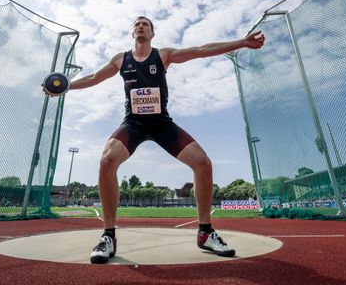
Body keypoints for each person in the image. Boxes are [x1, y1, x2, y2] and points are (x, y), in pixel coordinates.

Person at [64, 16, 265, 264]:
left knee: (203, 163)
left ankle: (205, 232)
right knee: (107, 160)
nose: (140, 26)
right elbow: (94, 78)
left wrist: (242, 42)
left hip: (161, 124)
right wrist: (65, 86)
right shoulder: (121, 59)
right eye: (137, 24)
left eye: (145, 24)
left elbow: (201, 51)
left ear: (152, 33)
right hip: (133, 124)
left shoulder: (163, 56)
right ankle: (109, 236)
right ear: (132, 32)